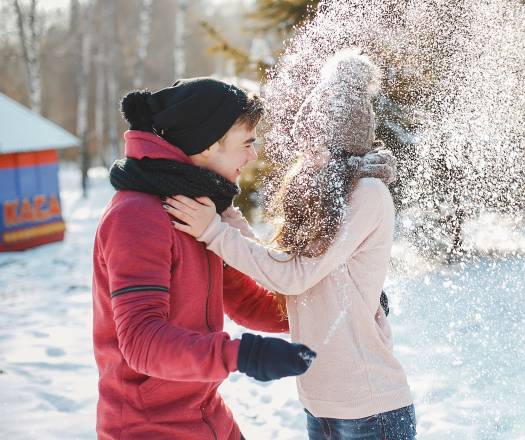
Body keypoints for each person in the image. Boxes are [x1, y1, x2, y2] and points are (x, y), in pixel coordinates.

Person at [165, 49, 417, 440]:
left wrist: (214, 233)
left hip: (370, 409)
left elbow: (294, 277)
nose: (305, 153)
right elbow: (283, 265)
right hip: (321, 406)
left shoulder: (366, 194)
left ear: (339, 139)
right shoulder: (322, 192)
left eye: (313, 142)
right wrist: (230, 219)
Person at [92, 77, 318, 440]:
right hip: (147, 428)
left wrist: (331, 306)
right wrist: (243, 355)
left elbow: (243, 300)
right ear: (209, 144)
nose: (253, 156)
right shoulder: (137, 216)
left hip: (207, 416)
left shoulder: (196, 206)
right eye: (246, 143)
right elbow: (140, 342)